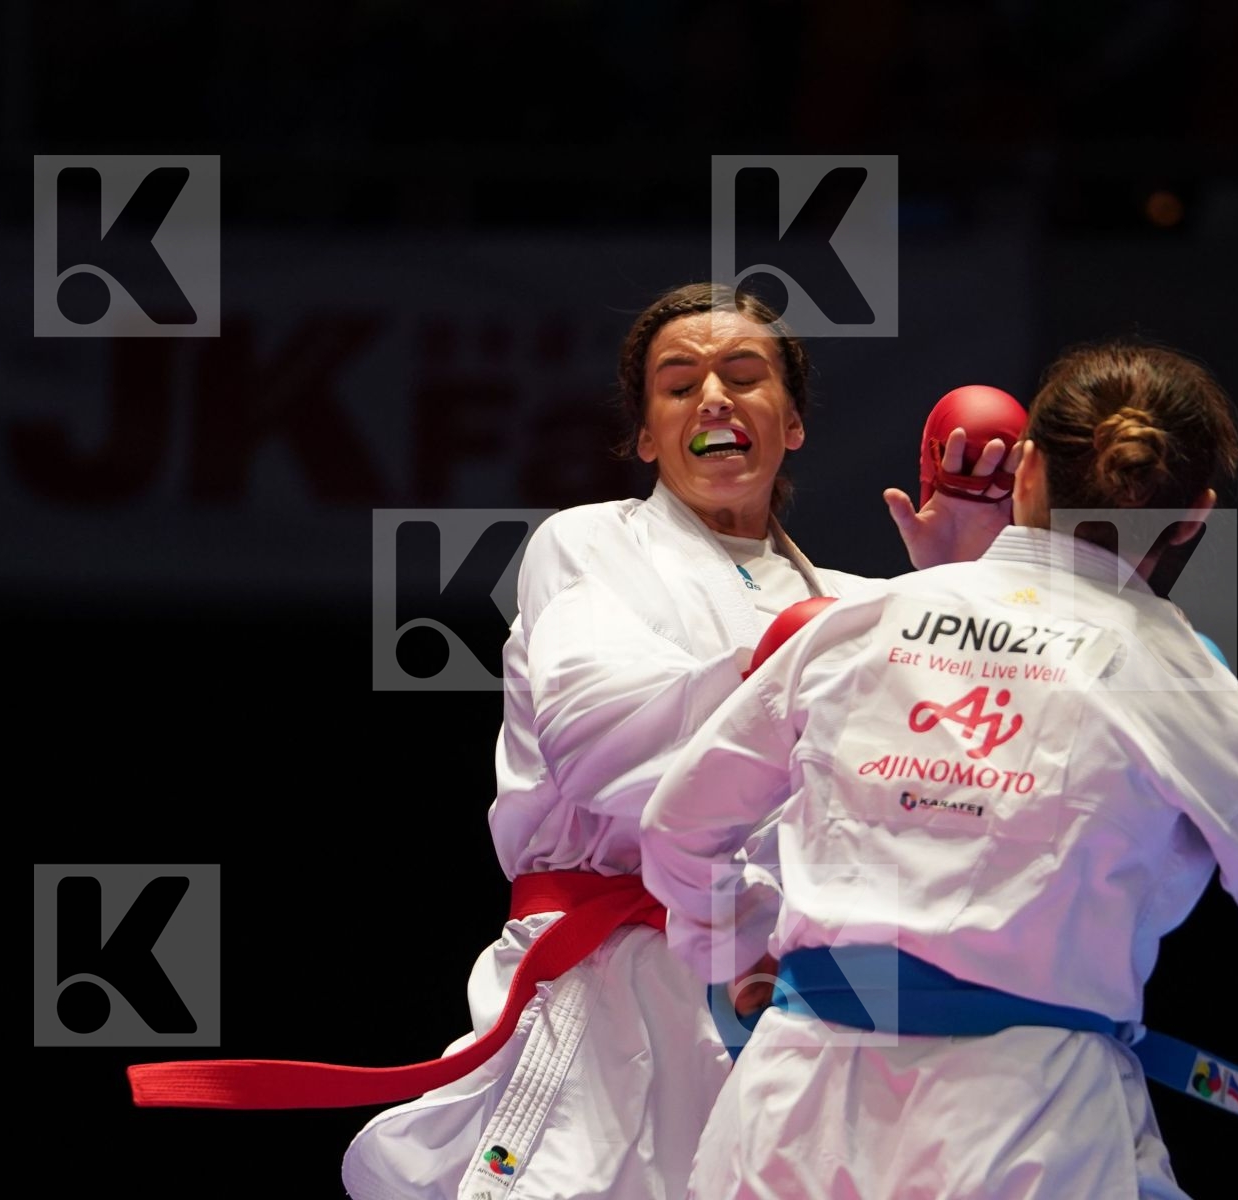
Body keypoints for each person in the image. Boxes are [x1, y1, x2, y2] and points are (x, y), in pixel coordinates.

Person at [639, 337, 1238, 1199]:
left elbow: (679, 829)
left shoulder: (862, 620)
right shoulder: (1174, 673)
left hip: (793, 1106)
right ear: (1193, 519)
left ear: (1027, 468)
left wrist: (747, 955)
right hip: (1024, 1126)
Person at [334, 283, 1022, 1200]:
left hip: (788, 1011)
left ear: (794, 425)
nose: (713, 397)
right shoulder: (587, 547)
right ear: (648, 436)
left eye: (744, 375)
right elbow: (600, 750)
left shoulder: (860, 607)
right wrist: (809, 660)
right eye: (677, 383)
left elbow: (971, 785)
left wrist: (967, 587)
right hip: (607, 985)